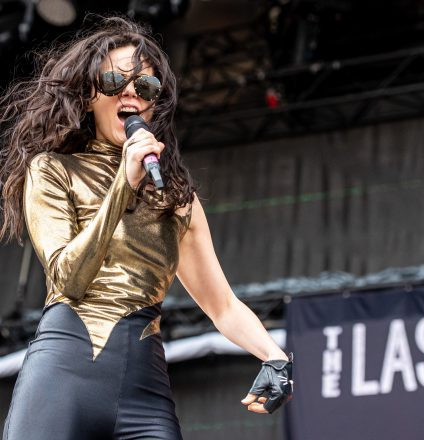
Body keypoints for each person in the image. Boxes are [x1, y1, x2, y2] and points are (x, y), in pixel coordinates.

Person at [0, 16, 293, 440]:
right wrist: (124, 183)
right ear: (88, 95)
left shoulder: (175, 197)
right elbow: (68, 278)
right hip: (63, 379)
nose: (131, 92)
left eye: (146, 86)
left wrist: (275, 357)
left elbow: (222, 305)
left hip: (144, 390)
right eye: (114, 80)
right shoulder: (53, 170)